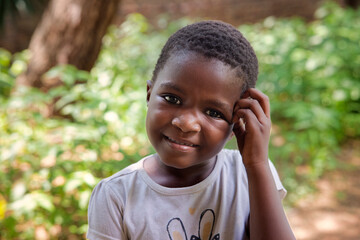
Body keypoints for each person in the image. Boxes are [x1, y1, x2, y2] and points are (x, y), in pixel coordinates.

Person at [87, 20, 295, 240]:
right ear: (149, 94)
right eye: (172, 98)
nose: (186, 123)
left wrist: (256, 164)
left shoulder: (247, 175)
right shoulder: (116, 195)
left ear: (237, 122)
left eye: (214, 113)